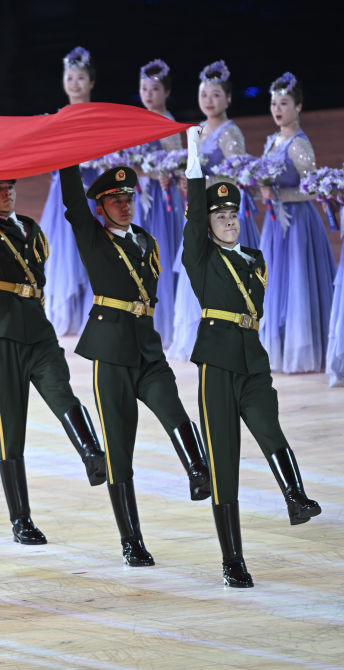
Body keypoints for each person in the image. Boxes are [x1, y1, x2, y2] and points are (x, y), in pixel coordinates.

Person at [182, 126, 321, 587]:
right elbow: (194, 216)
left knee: (269, 428)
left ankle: (296, 497)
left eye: (232, 214)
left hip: (252, 362)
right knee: (223, 461)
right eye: (219, 216)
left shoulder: (255, 259)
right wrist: (193, 157)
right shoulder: (200, 258)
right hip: (217, 363)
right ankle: (232, 561)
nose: (227, 221)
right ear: (207, 224)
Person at [59, 160, 211, 567]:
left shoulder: (145, 240)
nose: (125, 206)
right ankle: (131, 541)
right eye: (115, 200)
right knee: (119, 449)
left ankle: (198, 472)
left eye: (128, 198)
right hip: (111, 353)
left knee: (173, 409)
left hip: (147, 348)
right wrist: (68, 157)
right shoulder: (93, 237)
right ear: (100, 207)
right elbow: (73, 202)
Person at [0, 180, 106, 545]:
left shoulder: (31, 228)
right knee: (10, 427)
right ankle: (21, 520)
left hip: (38, 329)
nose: (7, 193)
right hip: (4, 334)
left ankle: (93, 455)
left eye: (9, 187)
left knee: (61, 393)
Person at [171, 60, 261, 361]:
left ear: (229, 98)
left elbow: (235, 176)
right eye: (204, 94)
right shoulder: (201, 129)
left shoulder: (229, 132)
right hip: (204, 213)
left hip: (222, 215)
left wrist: (203, 183)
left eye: (216, 95)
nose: (209, 100)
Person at [257, 72, 335, 374]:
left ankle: (301, 349)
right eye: (274, 104)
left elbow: (313, 189)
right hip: (276, 224)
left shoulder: (299, 144)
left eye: (284, 103)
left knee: (297, 282)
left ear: (298, 106)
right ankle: (279, 348)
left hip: (298, 223)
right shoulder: (273, 141)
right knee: (276, 284)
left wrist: (278, 193)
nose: (277, 109)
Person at [39, 46, 98, 336]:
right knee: (64, 252)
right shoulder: (57, 118)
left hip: (90, 195)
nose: (74, 84)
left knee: (89, 252)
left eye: (81, 78)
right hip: (61, 197)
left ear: (91, 82)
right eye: (70, 77)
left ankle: (91, 312)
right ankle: (67, 312)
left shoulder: (99, 117)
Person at [133, 59, 183, 349]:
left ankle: (163, 322)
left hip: (162, 201)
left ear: (166, 92)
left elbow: (175, 165)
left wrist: (153, 172)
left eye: (154, 89)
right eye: (144, 89)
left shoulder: (168, 124)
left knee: (159, 253)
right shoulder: (139, 121)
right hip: (142, 198)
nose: (148, 94)